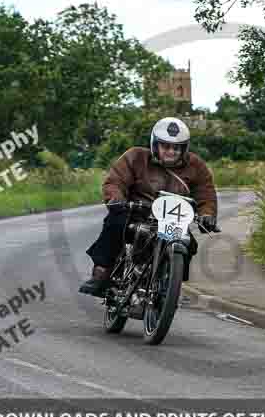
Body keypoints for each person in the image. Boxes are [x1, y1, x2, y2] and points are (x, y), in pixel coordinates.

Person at [80, 117, 219, 297]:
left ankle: (170, 287)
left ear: (184, 148)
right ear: (155, 145)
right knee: (115, 223)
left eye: (176, 147)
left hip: (171, 220)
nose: (171, 151)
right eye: (165, 146)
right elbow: (116, 181)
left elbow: (205, 193)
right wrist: (116, 199)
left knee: (189, 245)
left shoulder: (196, 166)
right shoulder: (135, 156)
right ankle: (101, 273)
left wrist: (207, 215)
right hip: (136, 213)